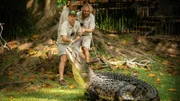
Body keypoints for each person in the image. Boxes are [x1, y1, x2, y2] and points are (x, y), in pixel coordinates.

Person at [57, 10, 82, 86]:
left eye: (74, 16)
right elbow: (63, 38)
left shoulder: (77, 24)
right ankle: (61, 79)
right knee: (64, 59)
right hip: (62, 43)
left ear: (76, 17)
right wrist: (70, 40)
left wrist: (78, 36)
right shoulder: (64, 25)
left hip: (72, 43)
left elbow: (79, 33)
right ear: (68, 17)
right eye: (70, 16)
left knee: (80, 56)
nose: (72, 18)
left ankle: (81, 76)